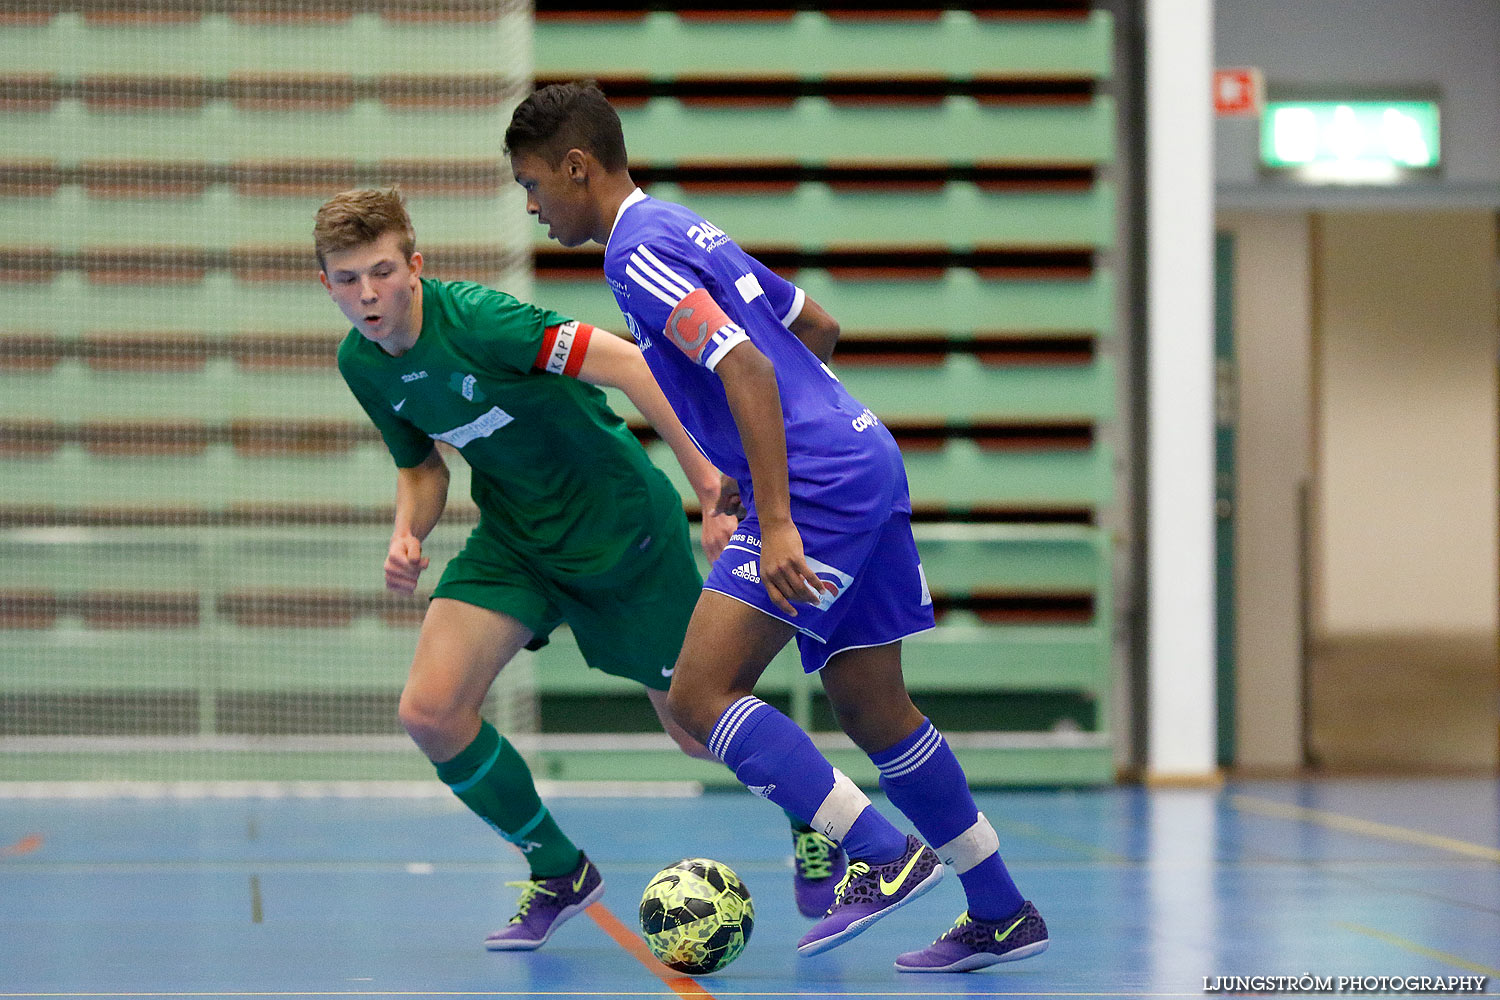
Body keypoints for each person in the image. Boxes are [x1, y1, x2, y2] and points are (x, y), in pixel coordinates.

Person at [505, 82, 1050, 973]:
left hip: (817, 488)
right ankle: (1000, 910)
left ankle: (879, 855)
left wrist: (780, 510)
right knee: (873, 706)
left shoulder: (633, 252)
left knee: (699, 695)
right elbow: (818, 327)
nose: (532, 206)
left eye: (533, 184)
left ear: (577, 166)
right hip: (863, 454)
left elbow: (750, 368)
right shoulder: (684, 225)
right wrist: (759, 456)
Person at [313, 187, 844, 953]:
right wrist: (407, 533)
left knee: (700, 728)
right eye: (347, 278)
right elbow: (423, 468)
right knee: (430, 711)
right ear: (324, 283)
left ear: (415, 267)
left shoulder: (484, 322)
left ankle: (812, 815)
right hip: (518, 543)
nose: (367, 293)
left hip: (623, 535)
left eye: (382, 271)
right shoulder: (362, 364)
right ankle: (559, 871)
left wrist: (706, 483)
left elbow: (630, 364)